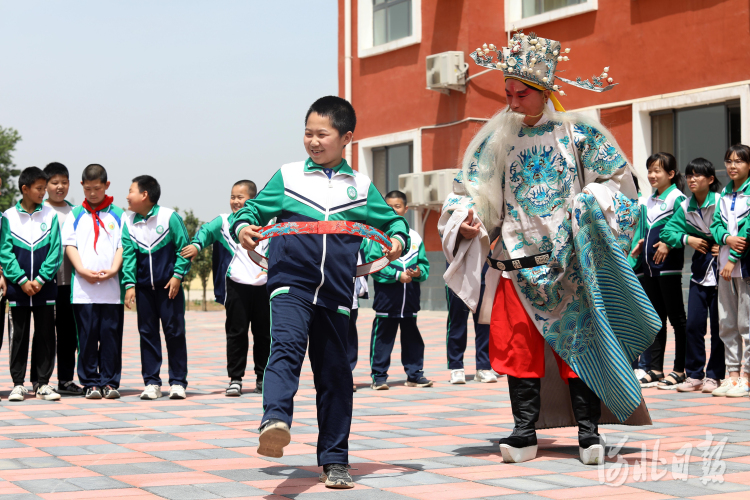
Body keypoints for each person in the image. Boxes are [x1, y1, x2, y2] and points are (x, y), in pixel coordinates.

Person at [439, 32, 658, 465]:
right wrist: (466, 221)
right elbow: (467, 191)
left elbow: (620, 186)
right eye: (507, 93)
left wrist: (590, 201)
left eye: (522, 93)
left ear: (546, 92)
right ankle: (524, 431)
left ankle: (589, 432)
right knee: (517, 348)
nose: (513, 101)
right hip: (517, 263)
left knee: (581, 347)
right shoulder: (493, 141)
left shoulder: (579, 134)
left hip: (571, 262)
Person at [230, 96, 408, 489]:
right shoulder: (289, 176)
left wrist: (395, 239)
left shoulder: (360, 186)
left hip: (337, 292)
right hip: (289, 281)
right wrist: (244, 227)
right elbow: (253, 211)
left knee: (336, 375)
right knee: (286, 347)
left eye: (321, 134)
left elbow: (392, 222)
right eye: (307, 132)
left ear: (346, 137)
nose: (312, 140)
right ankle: (275, 420)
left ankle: (335, 461)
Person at [181, 179, 271, 397]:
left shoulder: (268, 224)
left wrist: (271, 271)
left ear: (253, 200)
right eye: (232, 197)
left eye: (240, 197)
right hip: (236, 285)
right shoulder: (223, 222)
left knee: (264, 335)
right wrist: (196, 245)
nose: (235, 201)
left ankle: (263, 378)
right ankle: (236, 379)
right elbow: (205, 231)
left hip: (264, 287)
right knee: (236, 333)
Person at [122, 175, 191, 400]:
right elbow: (129, 255)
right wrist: (129, 285)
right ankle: (152, 382)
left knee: (174, 333)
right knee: (147, 334)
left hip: (168, 287)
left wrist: (177, 276)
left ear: (144, 195)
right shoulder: (128, 221)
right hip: (143, 290)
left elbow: (184, 249)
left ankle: (178, 382)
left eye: (131, 191)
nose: (127, 196)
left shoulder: (170, 217)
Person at [661, 158, 724, 393]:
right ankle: (695, 374)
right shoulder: (686, 206)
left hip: (723, 272)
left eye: (698, 175)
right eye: (689, 176)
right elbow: (668, 231)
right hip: (699, 273)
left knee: (720, 327)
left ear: (710, 179)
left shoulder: (720, 202)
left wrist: (722, 244)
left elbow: (734, 229)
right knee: (694, 326)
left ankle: (715, 375)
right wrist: (688, 239)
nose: (692, 179)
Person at [62, 164, 125, 399]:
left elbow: (122, 246)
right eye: (87, 189)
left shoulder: (119, 214)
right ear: (82, 187)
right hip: (83, 289)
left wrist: (113, 270)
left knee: (110, 335)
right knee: (87, 336)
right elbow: (70, 245)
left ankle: (110, 382)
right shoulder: (75, 214)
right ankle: (90, 382)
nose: (92, 193)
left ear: (106, 185)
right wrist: (81, 269)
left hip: (111, 289)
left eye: (97, 188)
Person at [0, 167, 62, 402]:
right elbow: (5, 253)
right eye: (39, 188)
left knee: (46, 335)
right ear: (24, 189)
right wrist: (23, 280)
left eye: (44, 188)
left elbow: (56, 251)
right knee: (19, 336)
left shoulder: (50, 215)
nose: (43, 193)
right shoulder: (8, 216)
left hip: (45, 287)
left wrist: (40, 279)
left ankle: (43, 383)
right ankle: (18, 384)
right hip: (18, 288)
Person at [630, 153, 688, 390]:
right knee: (656, 321)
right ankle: (655, 369)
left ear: (671, 174)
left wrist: (668, 243)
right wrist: (638, 245)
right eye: (650, 170)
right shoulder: (647, 200)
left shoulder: (678, 199)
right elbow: (643, 228)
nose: (652, 175)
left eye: (657, 171)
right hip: (648, 269)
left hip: (668, 269)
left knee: (677, 320)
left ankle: (679, 370)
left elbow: (684, 225)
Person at [367, 190, 431, 390]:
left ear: (406, 209)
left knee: (412, 338)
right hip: (387, 300)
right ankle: (379, 376)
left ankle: (415, 374)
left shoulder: (415, 237)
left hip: (410, 300)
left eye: (398, 206)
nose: (394, 210)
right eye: (389, 207)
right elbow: (374, 265)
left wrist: (418, 272)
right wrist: (397, 276)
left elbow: (425, 265)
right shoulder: (378, 236)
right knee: (383, 338)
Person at [29, 162, 83, 397]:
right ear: (45, 186)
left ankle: (65, 380)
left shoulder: (77, 212)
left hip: (70, 285)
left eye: (64, 182)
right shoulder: (37, 210)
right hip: (43, 283)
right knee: (43, 334)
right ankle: (38, 380)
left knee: (68, 333)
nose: (59, 187)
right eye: (54, 183)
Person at [710, 144, 750, 398]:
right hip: (724, 269)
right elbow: (715, 225)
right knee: (727, 323)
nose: (732, 166)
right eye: (728, 161)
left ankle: (747, 376)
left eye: (739, 161)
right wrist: (725, 238)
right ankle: (732, 375)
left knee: (747, 323)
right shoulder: (723, 194)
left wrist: (733, 257)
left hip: (742, 267)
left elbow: (747, 232)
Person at [445, 258, 495, 384]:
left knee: (484, 322)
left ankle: (483, 366)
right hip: (456, 271)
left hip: (483, 270)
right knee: (457, 321)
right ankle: (456, 367)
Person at [349, 241, 369, 392]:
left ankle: (347, 374)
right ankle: (328, 376)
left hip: (351, 297)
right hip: (329, 295)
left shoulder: (364, 238)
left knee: (349, 338)